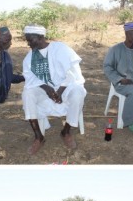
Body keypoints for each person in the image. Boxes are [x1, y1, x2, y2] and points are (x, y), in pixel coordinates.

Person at [22, 25, 86, 155]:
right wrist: (46, 88)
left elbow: (73, 73)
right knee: (27, 93)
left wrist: (60, 91)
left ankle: (66, 132)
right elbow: (29, 77)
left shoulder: (60, 49)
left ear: (40, 37)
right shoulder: (30, 56)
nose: (28, 44)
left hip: (65, 86)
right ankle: (39, 137)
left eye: (30, 40)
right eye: (27, 40)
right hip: (44, 89)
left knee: (78, 92)